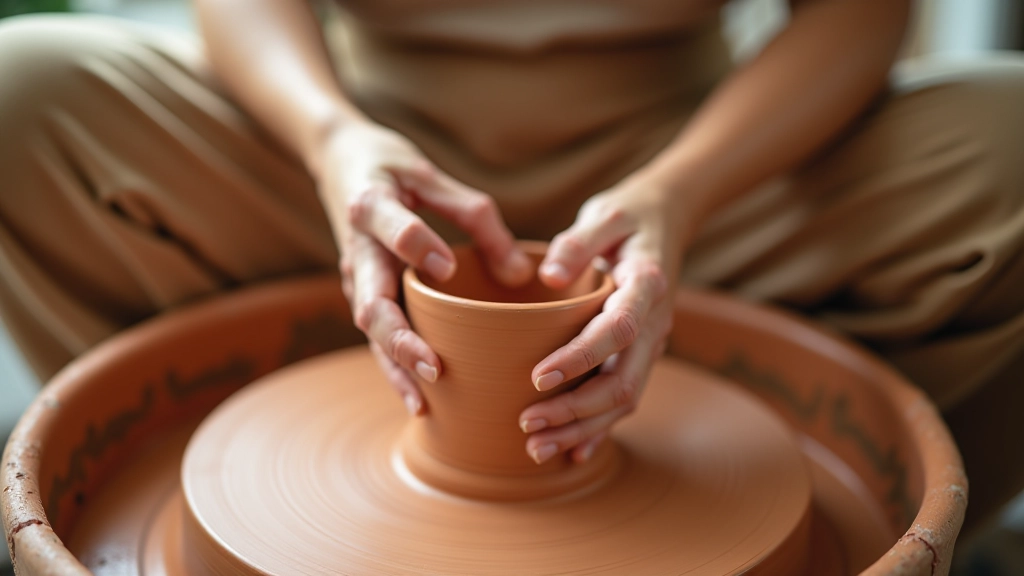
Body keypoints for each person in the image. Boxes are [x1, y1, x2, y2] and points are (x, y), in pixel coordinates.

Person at [0, 0, 1021, 532]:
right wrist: (330, 141)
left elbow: (854, 10)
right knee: (22, 93)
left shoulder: (688, 186)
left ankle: (904, 523)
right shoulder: (339, 146)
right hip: (366, 162)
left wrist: (679, 193)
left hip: (697, 173)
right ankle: (231, 481)